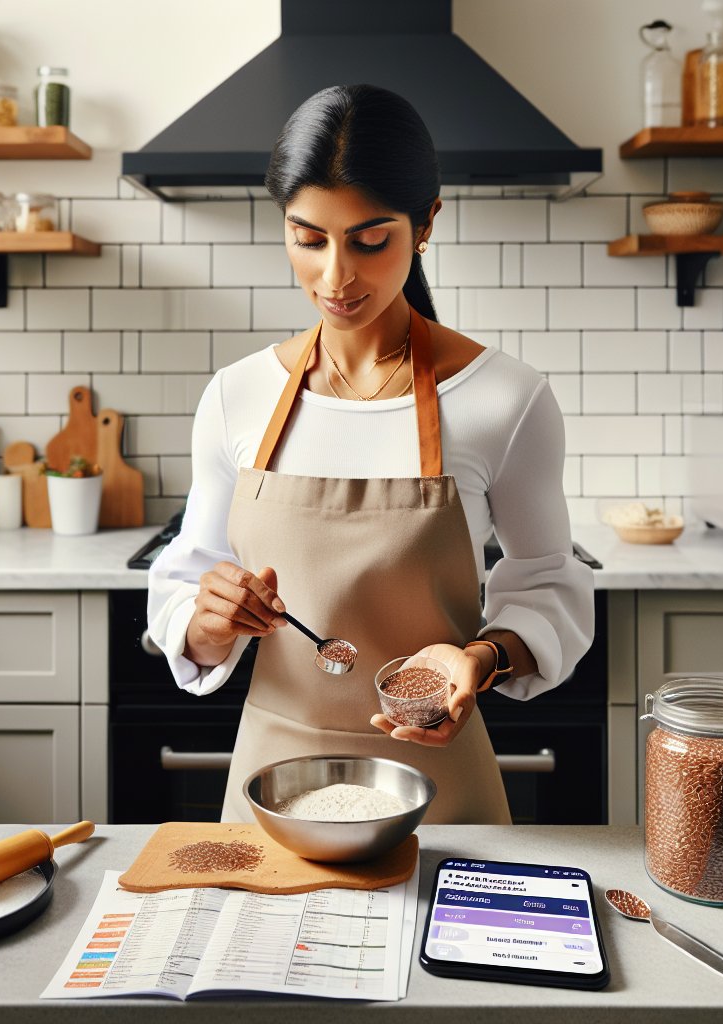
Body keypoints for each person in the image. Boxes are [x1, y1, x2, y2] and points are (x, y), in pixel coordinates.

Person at [147, 83, 594, 824]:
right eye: (308, 237)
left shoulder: (506, 399)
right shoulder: (236, 396)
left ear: (425, 224)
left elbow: (550, 583)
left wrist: (479, 661)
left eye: (368, 238)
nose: (335, 277)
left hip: (440, 782)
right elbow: (185, 586)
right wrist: (209, 619)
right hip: (273, 786)